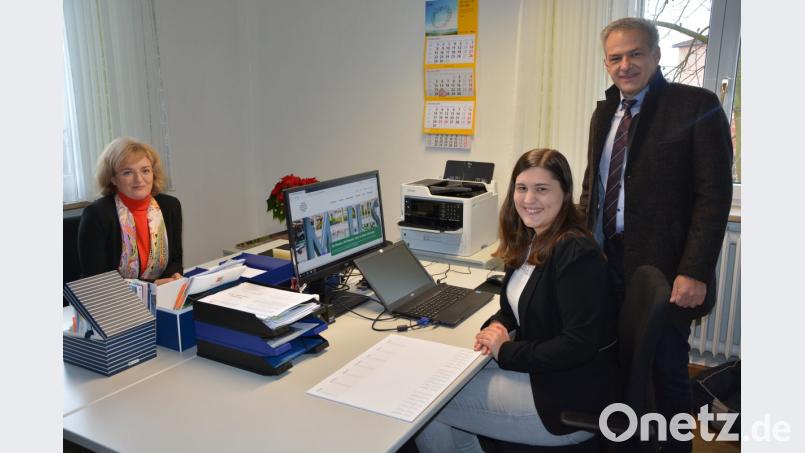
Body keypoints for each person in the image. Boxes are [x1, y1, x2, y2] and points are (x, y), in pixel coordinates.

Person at [578, 17, 733, 452]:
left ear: (656, 55)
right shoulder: (604, 113)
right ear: (606, 63)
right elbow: (593, 188)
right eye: (615, 57)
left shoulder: (696, 105)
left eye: (635, 54)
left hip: (669, 270)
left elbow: (713, 196)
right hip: (608, 263)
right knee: (617, 366)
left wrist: (694, 270)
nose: (625, 65)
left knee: (667, 372)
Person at [416, 149, 618, 452]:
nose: (528, 199)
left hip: (564, 397)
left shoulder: (575, 252)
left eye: (542, 189)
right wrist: (497, 327)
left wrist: (506, 350)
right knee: (434, 380)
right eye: (522, 188)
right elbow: (513, 309)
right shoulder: (532, 239)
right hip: (543, 373)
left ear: (565, 193)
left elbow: (578, 344)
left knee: (426, 406)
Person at [78, 137, 183, 285]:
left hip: (162, 292)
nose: (139, 179)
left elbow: (175, 259)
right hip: (113, 297)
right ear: (113, 178)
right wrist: (152, 286)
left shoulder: (170, 206)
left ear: (153, 173)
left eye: (145, 170)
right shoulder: (96, 214)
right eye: (127, 172)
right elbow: (97, 279)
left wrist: (175, 276)